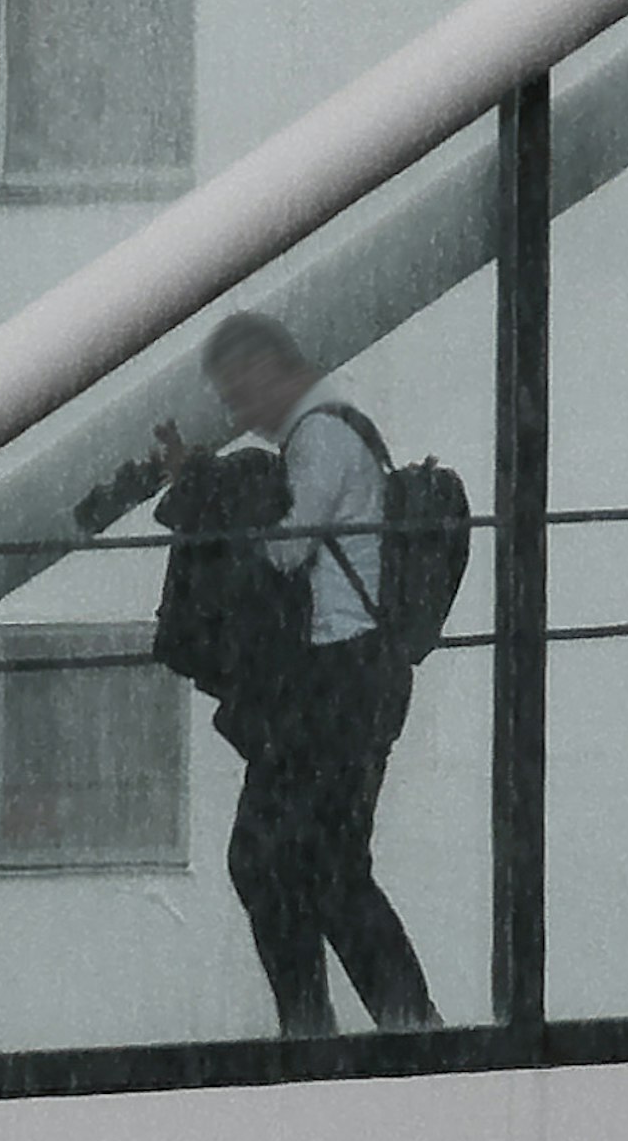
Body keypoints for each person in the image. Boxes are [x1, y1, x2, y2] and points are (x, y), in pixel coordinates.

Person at [153, 308, 438, 1043]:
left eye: (237, 390)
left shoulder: (321, 437)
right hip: (354, 681)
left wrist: (208, 496)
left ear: (267, 368)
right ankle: (398, 1023)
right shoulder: (346, 434)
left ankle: (324, 1025)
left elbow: (283, 553)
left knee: (270, 857)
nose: (236, 410)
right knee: (326, 866)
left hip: (338, 681)